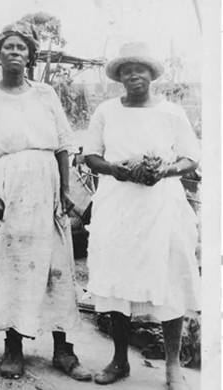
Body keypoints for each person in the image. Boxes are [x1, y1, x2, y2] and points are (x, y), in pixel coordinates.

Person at [0, 23, 91, 381]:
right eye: (9, 48)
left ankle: (63, 351)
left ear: (30, 56)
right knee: (14, 269)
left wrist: (65, 190)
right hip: (8, 189)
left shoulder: (45, 94)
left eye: (22, 48)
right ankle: (14, 347)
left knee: (56, 267)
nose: (15, 53)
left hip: (46, 187)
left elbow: (64, 144)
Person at [82, 42, 200, 390]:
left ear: (152, 74)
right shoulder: (106, 110)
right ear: (119, 76)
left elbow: (191, 157)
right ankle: (119, 360)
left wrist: (165, 170)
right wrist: (116, 169)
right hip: (118, 203)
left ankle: (173, 366)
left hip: (161, 204)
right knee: (117, 280)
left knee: (170, 277)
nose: (134, 75)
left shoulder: (171, 112)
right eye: (127, 70)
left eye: (141, 69)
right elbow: (91, 155)